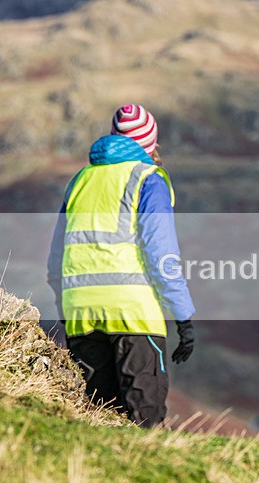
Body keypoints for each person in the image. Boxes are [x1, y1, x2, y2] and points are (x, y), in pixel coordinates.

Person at [47, 104, 196, 428]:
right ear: (150, 145)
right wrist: (183, 316)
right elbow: (162, 254)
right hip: (134, 312)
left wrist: (67, 308)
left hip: (80, 312)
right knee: (145, 419)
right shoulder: (149, 180)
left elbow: (56, 260)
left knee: (99, 417)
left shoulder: (79, 182)